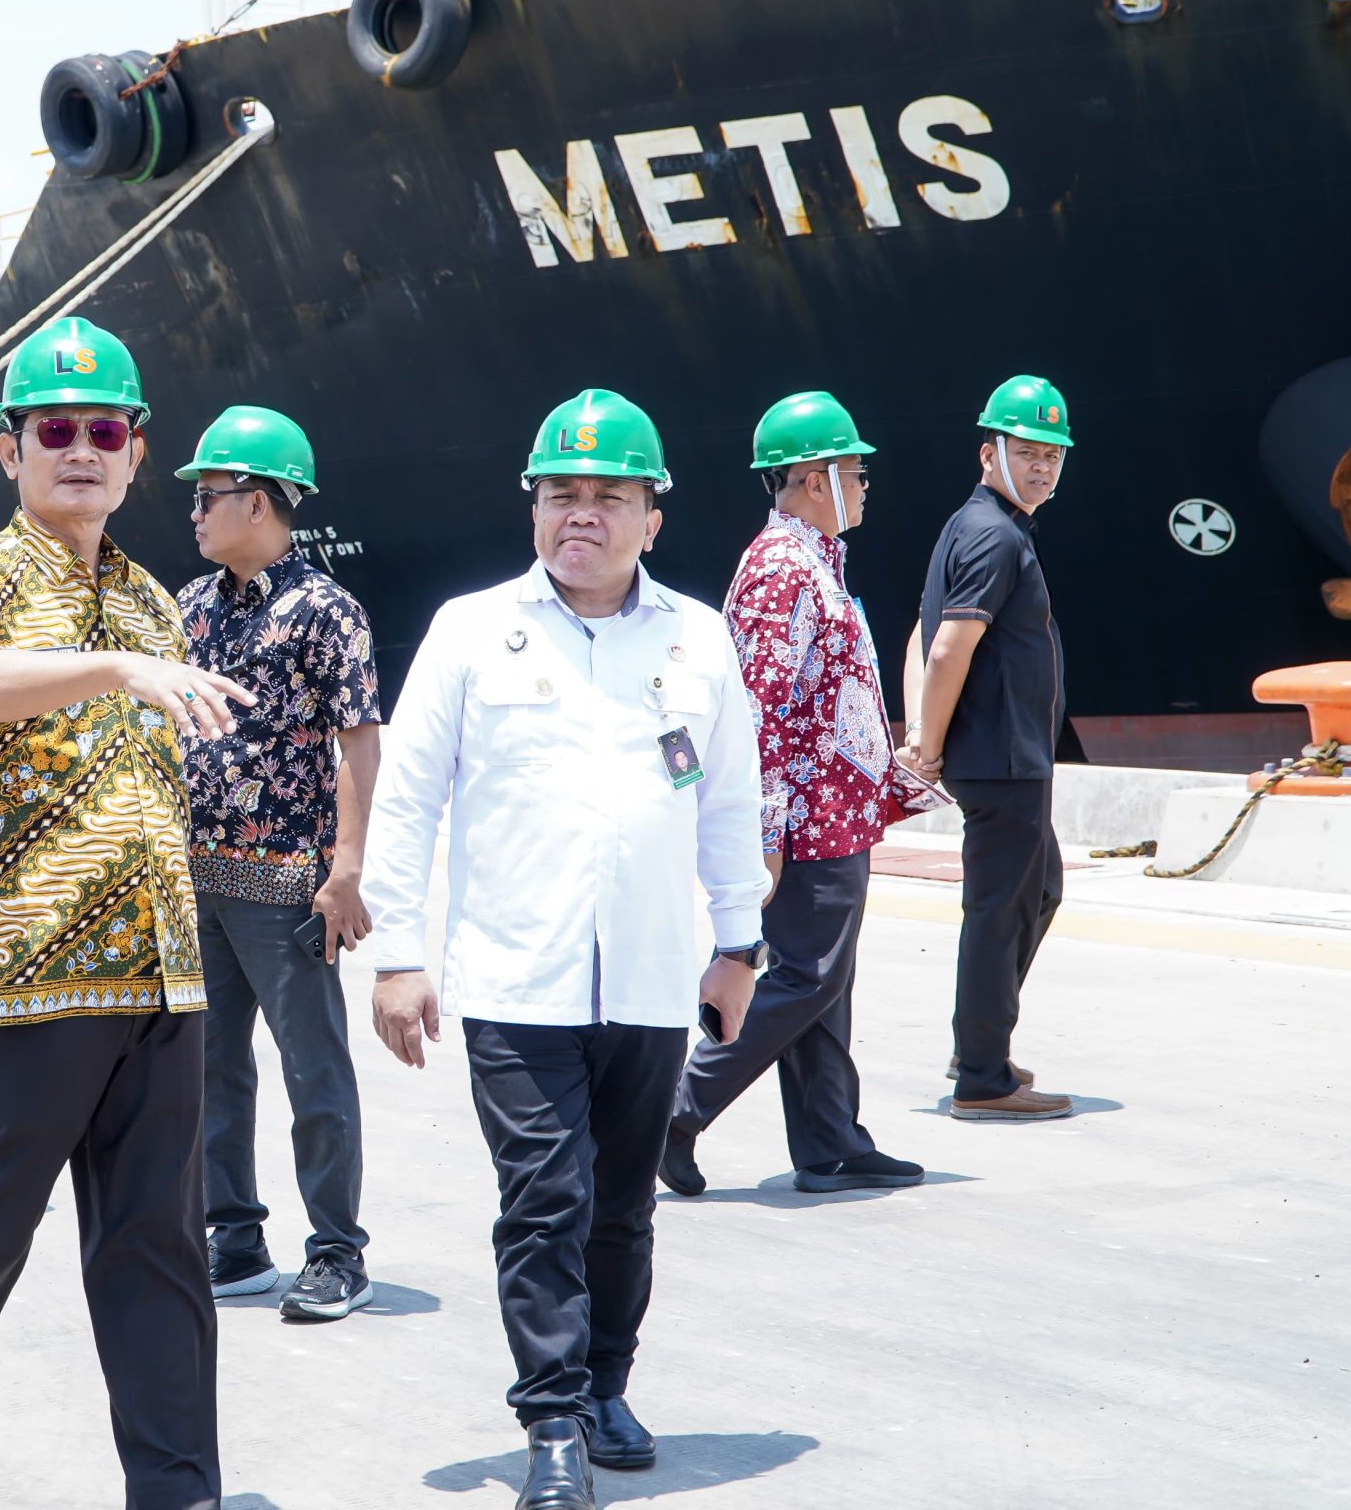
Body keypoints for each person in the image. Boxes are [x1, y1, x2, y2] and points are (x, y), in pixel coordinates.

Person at [0, 317, 249, 1510]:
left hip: (159, 975)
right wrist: (116, 669)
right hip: (21, 976)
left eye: (105, 430)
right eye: (55, 429)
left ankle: (176, 1486)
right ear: (10, 448)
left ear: (136, 452)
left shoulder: (152, 602)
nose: (81, 448)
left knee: (158, 1246)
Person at [362, 390, 769, 1509]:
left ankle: (605, 1385)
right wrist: (397, 955)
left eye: (607, 495)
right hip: (515, 978)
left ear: (653, 516)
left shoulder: (697, 638)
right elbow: (407, 802)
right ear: (533, 508)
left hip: (647, 975)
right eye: (560, 493)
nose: (580, 513)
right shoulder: (469, 630)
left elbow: (730, 802)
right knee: (545, 1199)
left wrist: (739, 943)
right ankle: (549, 1421)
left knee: (622, 1205)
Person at [660, 393, 933, 1198]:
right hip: (809, 818)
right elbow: (762, 713)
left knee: (824, 983)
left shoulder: (812, 560)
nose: (866, 485)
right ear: (816, 479)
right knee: (806, 978)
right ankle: (673, 1112)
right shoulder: (782, 570)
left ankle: (830, 1143)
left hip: (836, 812)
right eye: (856, 472)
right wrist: (766, 834)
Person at [173, 405, 384, 1322]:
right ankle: (235, 1238)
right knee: (210, 1071)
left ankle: (337, 1252)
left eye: (208, 495)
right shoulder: (190, 606)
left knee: (313, 1072)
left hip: (286, 886)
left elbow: (358, 744)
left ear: (257, 502)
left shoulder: (326, 612)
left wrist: (346, 870)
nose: (194, 511)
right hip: (199, 880)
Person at [908, 376, 1077, 1123]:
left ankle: (978, 1043)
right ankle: (982, 1077)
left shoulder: (975, 525)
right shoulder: (995, 535)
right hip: (1002, 758)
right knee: (999, 911)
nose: (1042, 467)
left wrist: (921, 731)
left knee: (1037, 891)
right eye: (1027, 452)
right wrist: (926, 744)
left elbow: (920, 633)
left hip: (1009, 758)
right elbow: (947, 647)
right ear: (989, 453)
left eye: (1053, 455)